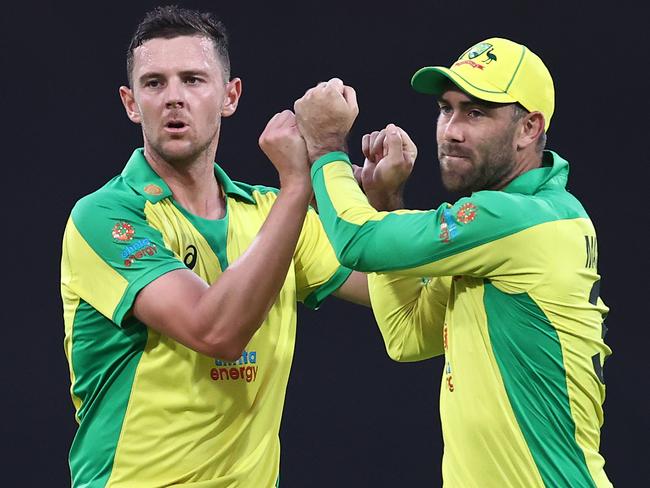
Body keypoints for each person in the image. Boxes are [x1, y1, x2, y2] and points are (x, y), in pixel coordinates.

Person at [59, 6, 373, 487]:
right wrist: (296, 186)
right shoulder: (104, 217)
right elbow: (216, 333)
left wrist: (386, 198)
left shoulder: (271, 214)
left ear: (230, 96)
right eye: (154, 83)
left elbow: (399, 297)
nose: (174, 99)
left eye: (193, 79)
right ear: (130, 102)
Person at [290, 38, 612, 487]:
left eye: (476, 113)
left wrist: (326, 147)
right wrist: (382, 202)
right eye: (447, 109)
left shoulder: (521, 220)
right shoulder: (517, 226)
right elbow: (408, 334)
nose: (451, 130)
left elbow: (356, 241)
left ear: (529, 128)